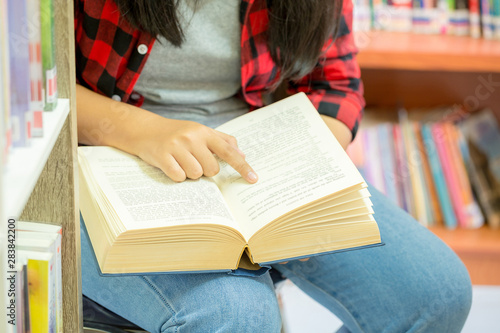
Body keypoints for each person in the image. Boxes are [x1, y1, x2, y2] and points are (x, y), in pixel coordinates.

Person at [75, 0, 473, 332]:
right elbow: (21, 83)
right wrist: (140, 131)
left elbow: (335, 88)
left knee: (436, 295)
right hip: (106, 152)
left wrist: (293, 181)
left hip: (247, 159)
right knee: (238, 316)